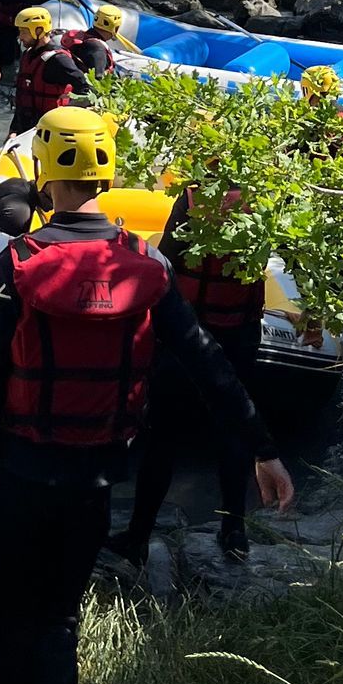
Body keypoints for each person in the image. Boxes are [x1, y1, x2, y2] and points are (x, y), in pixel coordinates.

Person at [0, 107, 294, 684]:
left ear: (43, 173)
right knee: (60, 618)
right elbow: (210, 363)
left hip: (18, 473)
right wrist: (263, 448)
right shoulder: (144, 267)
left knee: (13, 610)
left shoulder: (17, 262)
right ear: (107, 172)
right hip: (93, 476)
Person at [118, 179, 268, 566]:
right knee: (233, 431)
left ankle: (138, 535)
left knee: (162, 437)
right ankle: (234, 532)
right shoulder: (270, 194)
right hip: (239, 333)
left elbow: (167, 263)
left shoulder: (190, 198)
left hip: (187, 334)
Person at [6, 7, 90, 136]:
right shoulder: (27, 55)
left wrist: (68, 111)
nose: (20, 37)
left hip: (51, 132)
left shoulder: (58, 60)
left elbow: (85, 88)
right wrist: (14, 129)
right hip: (26, 129)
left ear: (39, 30)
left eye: (24, 32)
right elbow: (21, 98)